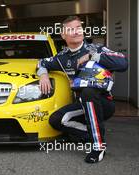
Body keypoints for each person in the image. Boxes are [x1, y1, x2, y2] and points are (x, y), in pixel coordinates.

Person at [37, 16, 128, 163]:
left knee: (89, 91)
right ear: (63, 35)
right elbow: (41, 63)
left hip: (103, 102)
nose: (76, 32)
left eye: (78, 28)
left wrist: (93, 56)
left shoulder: (96, 49)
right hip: (81, 104)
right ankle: (92, 132)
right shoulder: (62, 58)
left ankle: (98, 146)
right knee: (55, 120)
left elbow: (123, 63)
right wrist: (43, 76)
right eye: (71, 29)